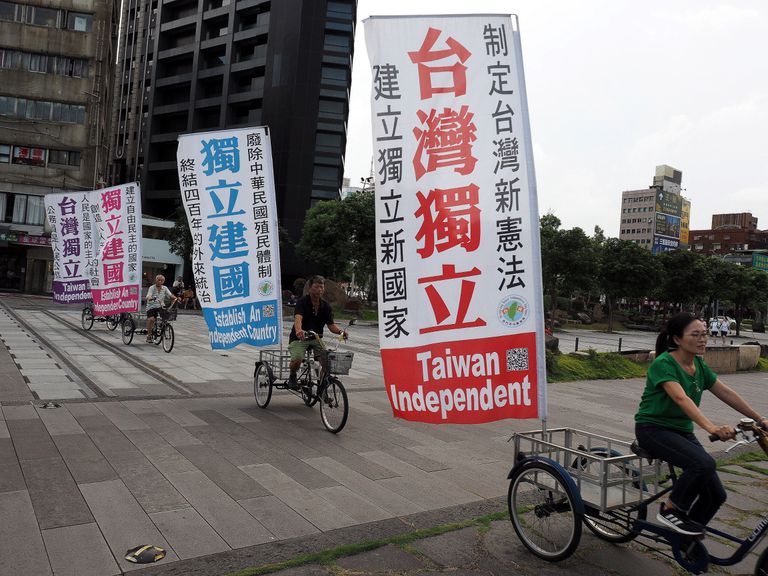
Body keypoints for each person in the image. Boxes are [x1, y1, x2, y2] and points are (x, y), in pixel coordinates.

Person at [635, 312, 768, 536]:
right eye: (695, 335)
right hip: (653, 429)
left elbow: (725, 392)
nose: (703, 339)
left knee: (716, 495)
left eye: (704, 334)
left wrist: (760, 419)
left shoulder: (698, 363)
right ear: (677, 339)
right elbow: (680, 398)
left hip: (681, 431)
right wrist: (712, 427)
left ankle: (686, 542)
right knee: (703, 463)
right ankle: (670, 509)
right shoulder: (664, 363)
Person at [287, 275, 347, 389]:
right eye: (316, 287)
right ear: (310, 288)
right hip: (300, 338)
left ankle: (321, 385)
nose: (319, 289)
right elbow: (298, 318)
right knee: (298, 359)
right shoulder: (302, 302)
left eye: (321, 287)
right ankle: (292, 376)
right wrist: (299, 331)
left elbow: (331, 325)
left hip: (316, 338)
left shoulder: (326, 306)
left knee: (327, 362)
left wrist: (341, 332)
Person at [145, 274, 177, 343]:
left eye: (161, 280)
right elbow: (148, 295)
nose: (159, 281)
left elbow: (170, 295)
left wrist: (175, 297)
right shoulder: (152, 288)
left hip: (161, 306)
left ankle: (162, 327)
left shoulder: (165, 288)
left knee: (166, 316)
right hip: (151, 306)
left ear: (163, 281)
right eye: (158, 280)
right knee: (151, 319)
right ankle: (149, 335)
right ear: (155, 280)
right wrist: (150, 298)